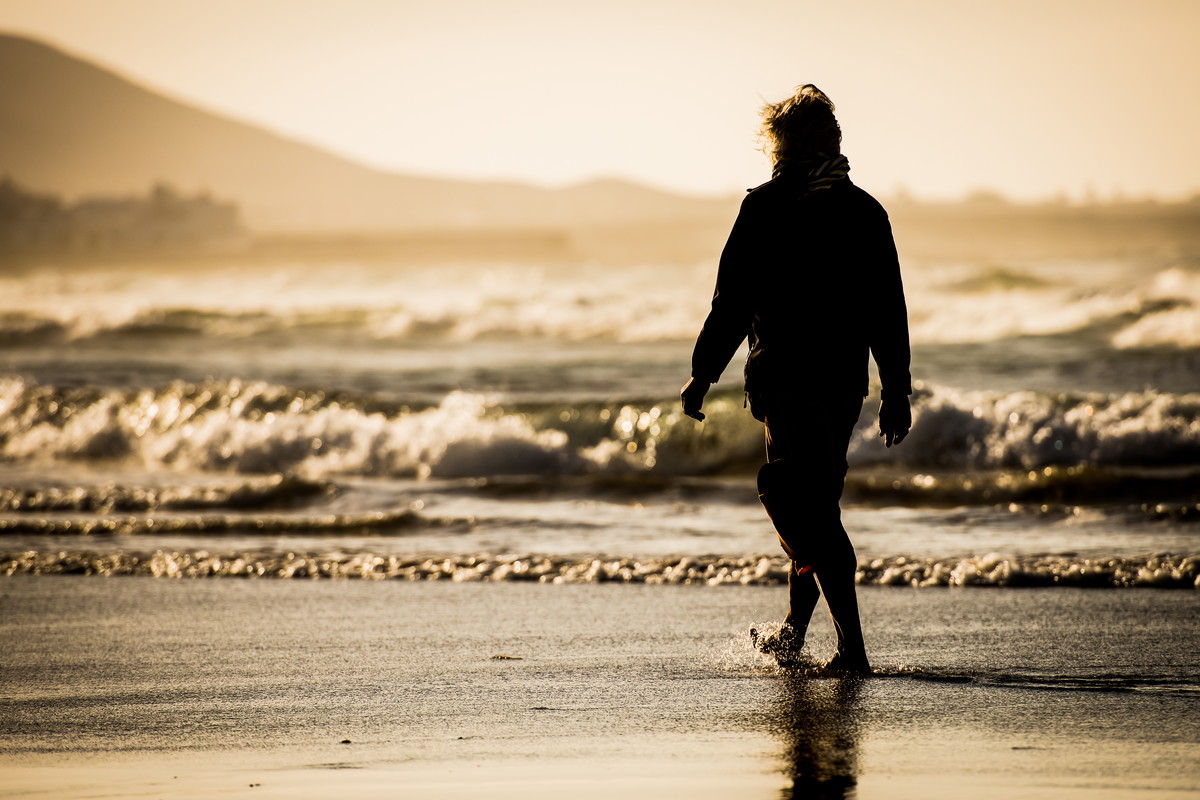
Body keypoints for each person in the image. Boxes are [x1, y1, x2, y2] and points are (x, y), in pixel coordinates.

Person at [680, 84, 912, 672]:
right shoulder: (863, 211)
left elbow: (732, 302)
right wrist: (895, 390)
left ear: (779, 144)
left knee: (794, 499)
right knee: (815, 505)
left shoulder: (767, 208)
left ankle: (852, 650)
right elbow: (888, 310)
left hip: (789, 381)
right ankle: (794, 633)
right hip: (840, 386)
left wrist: (702, 374)